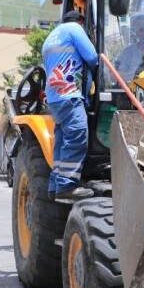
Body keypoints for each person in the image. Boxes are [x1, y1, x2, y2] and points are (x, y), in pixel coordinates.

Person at [42, 10, 98, 202]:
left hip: (54, 97)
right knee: (78, 135)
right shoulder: (74, 29)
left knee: (62, 139)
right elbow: (92, 57)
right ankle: (67, 185)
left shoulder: (50, 37)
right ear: (80, 21)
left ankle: (55, 184)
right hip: (68, 94)